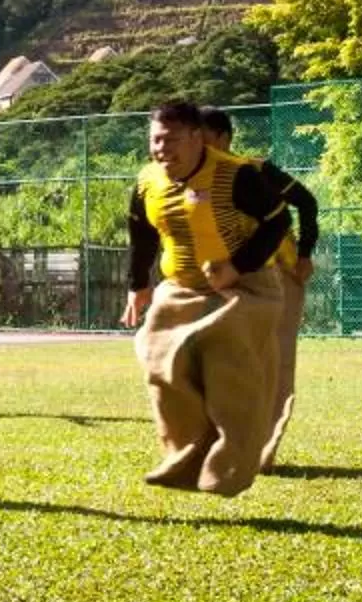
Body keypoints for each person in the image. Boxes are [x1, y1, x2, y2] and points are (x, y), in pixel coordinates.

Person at [118, 98, 296, 496]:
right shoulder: (147, 182)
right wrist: (138, 285)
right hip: (181, 288)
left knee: (228, 376)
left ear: (197, 138)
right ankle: (184, 457)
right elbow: (141, 236)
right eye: (155, 140)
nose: (162, 149)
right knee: (158, 361)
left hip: (245, 288)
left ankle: (228, 470)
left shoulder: (237, 175)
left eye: (171, 140)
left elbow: (278, 221)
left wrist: (237, 266)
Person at [201, 107, 321, 470]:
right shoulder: (190, 182)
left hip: (278, 275)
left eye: (203, 137)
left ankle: (261, 452)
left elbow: (306, 202)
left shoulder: (253, 171)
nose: (196, 146)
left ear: (223, 138)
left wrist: (304, 254)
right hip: (222, 281)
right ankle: (217, 445)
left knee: (275, 362)